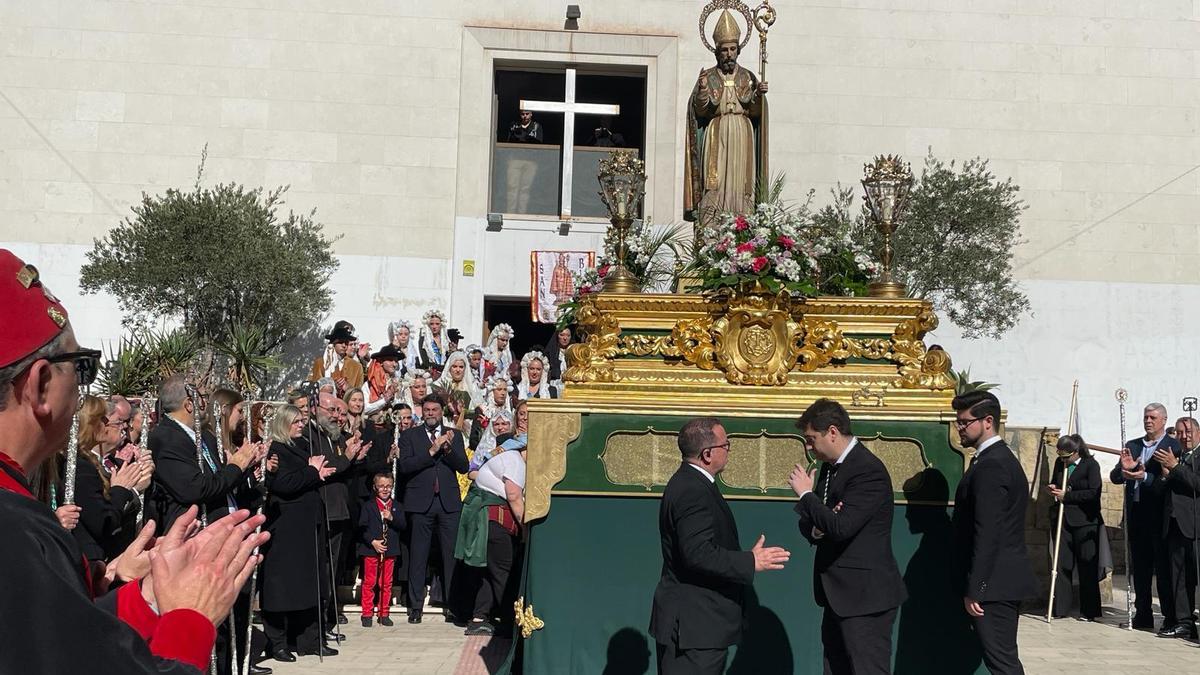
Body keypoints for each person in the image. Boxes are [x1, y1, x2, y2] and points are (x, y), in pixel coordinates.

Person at [0, 247, 268, 673]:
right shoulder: (14, 529)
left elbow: (69, 642)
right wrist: (190, 618)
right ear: (41, 384)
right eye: (82, 367)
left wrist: (142, 597)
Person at [649, 417, 790, 675]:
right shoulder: (692, 490)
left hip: (699, 627)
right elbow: (697, 553)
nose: (728, 450)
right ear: (707, 454)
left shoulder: (692, 483)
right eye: (726, 445)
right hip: (695, 628)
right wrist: (750, 561)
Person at [786, 398, 906, 675]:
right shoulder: (829, 468)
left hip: (866, 597)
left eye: (811, 439)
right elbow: (814, 522)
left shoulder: (868, 470)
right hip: (837, 595)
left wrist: (805, 494)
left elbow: (841, 527)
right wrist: (819, 525)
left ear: (832, 432)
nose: (808, 447)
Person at [951, 390, 1037, 675]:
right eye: (958, 421)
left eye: (965, 422)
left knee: (1002, 663)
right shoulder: (992, 460)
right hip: (997, 581)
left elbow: (988, 531)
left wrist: (978, 588)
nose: (959, 427)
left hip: (995, 584)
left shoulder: (993, 465)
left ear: (988, 421)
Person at [260, 404, 337, 661]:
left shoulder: (303, 447)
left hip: (308, 526)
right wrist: (312, 471)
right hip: (286, 528)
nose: (301, 425)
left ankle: (311, 640)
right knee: (283, 586)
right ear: (283, 424)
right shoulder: (276, 450)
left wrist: (317, 473)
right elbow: (283, 484)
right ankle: (278, 642)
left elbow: (306, 477)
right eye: (296, 422)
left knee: (312, 583)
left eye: (302, 421)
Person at [684, 9, 768, 233]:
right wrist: (702, 92)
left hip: (742, 133)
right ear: (717, 53)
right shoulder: (709, 77)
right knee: (716, 184)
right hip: (717, 134)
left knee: (742, 187)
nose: (729, 54)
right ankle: (711, 231)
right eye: (724, 50)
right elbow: (700, 113)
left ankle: (742, 230)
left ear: (738, 50)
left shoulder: (748, 77)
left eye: (732, 49)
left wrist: (759, 95)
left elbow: (756, 113)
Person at [398, 395, 469, 623]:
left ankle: (454, 605)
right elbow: (406, 466)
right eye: (427, 410)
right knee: (418, 555)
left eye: (434, 410)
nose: (430, 413)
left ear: (441, 412)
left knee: (451, 556)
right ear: (422, 412)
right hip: (420, 503)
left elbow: (464, 467)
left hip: (448, 503)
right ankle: (415, 606)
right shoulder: (410, 435)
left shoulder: (453, 434)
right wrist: (431, 451)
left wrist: (446, 449)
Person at [1110, 402, 1180, 631]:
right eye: (1145, 417)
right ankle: (1143, 614)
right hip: (1137, 515)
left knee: (1163, 571)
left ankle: (1170, 617)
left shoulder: (1172, 447)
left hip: (1160, 517)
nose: (1148, 421)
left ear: (1163, 420)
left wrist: (1144, 476)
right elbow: (1116, 477)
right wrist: (1125, 469)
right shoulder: (1133, 445)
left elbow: (1168, 483)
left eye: (1152, 417)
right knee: (1140, 570)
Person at [456, 434, 526, 637]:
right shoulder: (515, 461)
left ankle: (479, 619)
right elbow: (513, 495)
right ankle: (509, 621)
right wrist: (526, 528)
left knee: (489, 572)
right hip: (495, 524)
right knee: (504, 572)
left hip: (485, 521)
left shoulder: (506, 457)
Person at [73, 394, 154, 562]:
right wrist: (122, 490)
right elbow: (103, 521)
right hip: (94, 559)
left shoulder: (102, 463)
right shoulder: (80, 467)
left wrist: (140, 481)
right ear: (90, 423)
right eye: (103, 419)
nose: (122, 427)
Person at [1045, 433, 1103, 622]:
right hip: (1063, 520)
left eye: (1067, 457)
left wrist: (1067, 496)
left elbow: (1093, 493)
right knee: (1061, 564)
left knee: (1087, 565)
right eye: (1061, 456)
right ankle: (1060, 608)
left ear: (1076, 452)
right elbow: (1056, 481)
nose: (1063, 460)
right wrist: (1053, 488)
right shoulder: (1060, 463)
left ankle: (1089, 610)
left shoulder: (1090, 466)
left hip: (1085, 522)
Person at [1153, 417, 1200, 638]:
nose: (1184, 436)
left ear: (1198, 433)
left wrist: (1176, 468)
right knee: (1180, 578)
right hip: (1174, 525)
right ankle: (1184, 622)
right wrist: (1164, 477)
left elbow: (1197, 484)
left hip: (1196, 526)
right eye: (1180, 432)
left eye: (1188, 432)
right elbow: (1160, 492)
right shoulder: (1177, 456)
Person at [358, 473, 404, 627]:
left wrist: (392, 518)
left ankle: (384, 613)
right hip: (371, 550)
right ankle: (367, 613)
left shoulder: (397, 506)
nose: (385, 489)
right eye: (381, 486)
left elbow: (403, 525)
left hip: (390, 551)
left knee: (386, 583)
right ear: (375, 487)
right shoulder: (368, 506)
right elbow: (362, 528)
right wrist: (373, 542)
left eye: (388, 486)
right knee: (369, 582)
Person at [310, 320, 364, 395]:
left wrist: (348, 389)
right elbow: (315, 388)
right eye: (340, 342)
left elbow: (359, 394)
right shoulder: (321, 363)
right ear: (333, 343)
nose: (344, 345)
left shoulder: (357, 367)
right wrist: (333, 386)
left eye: (346, 342)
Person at [363, 344, 403, 416]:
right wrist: (384, 400)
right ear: (381, 362)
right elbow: (364, 409)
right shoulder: (369, 384)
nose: (394, 364)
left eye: (396, 361)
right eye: (390, 360)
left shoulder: (400, 383)